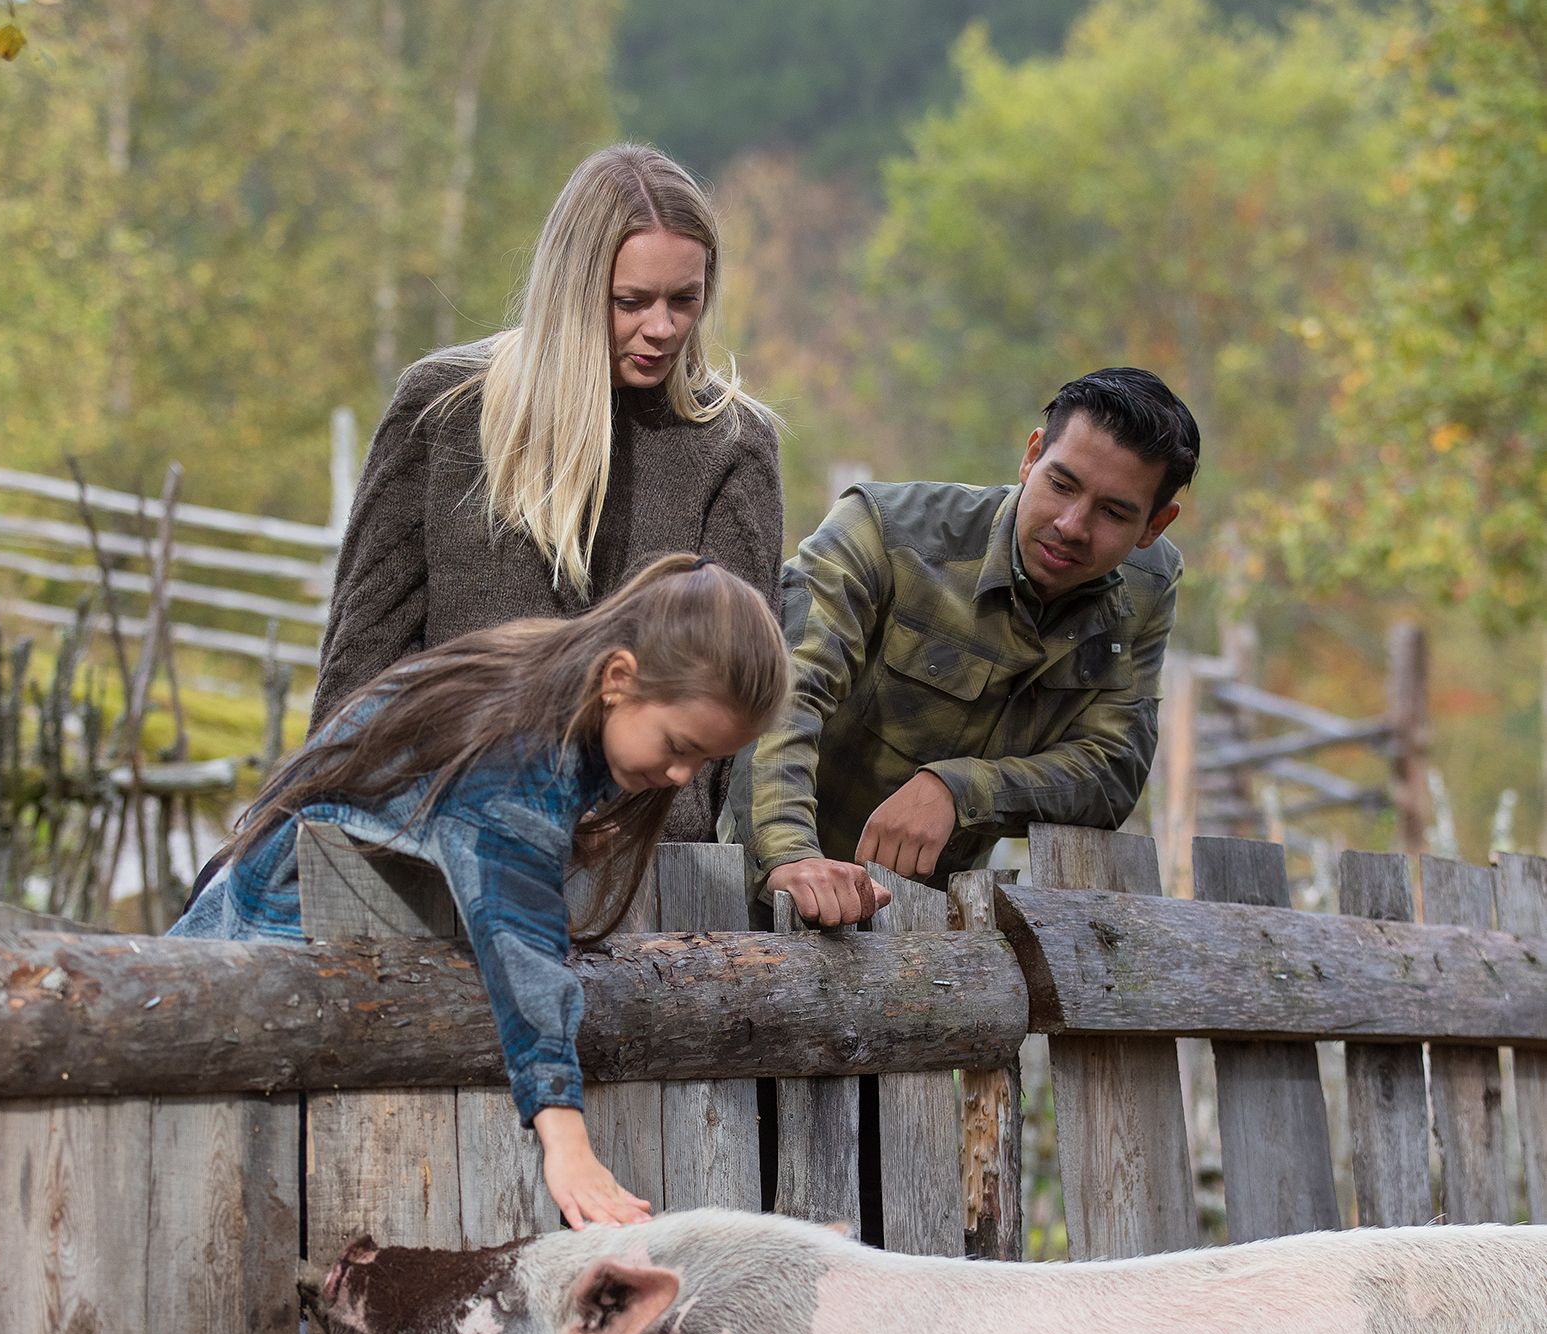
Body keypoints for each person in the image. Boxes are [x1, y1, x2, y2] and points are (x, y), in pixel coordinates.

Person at [173, 558, 790, 1229]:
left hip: (278, 903)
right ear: (619, 679)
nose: (681, 775)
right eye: (680, 746)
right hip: (288, 940)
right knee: (275, 1204)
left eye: (703, 762)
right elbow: (522, 947)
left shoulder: (545, 689)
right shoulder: (522, 753)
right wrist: (568, 1143)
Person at [311, 144, 784, 843]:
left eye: (684, 300)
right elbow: (364, 654)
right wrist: (329, 820)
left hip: (645, 867)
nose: (662, 328)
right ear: (573, 287)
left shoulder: (732, 444)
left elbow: (733, 702)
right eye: (630, 301)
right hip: (441, 838)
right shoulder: (443, 407)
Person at [727, 368, 1200, 924]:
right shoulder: (882, 531)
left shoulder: (1148, 585)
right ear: (1031, 457)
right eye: (1062, 485)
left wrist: (960, 789)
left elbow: (1111, 770)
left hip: (934, 927)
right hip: (746, 891)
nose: (1073, 525)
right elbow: (781, 695)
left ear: (1155, 525)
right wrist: (789, 855)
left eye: (1114, 512)